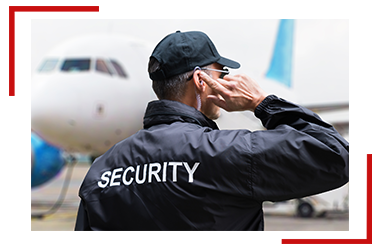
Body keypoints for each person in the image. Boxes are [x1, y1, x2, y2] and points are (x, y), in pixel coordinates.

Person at [75, 30, 349, 231]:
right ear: (201, 81)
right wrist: (262, 103)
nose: (226, 81)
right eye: (222, 74)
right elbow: (336, 155)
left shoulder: (101, 170)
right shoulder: (230, 151)